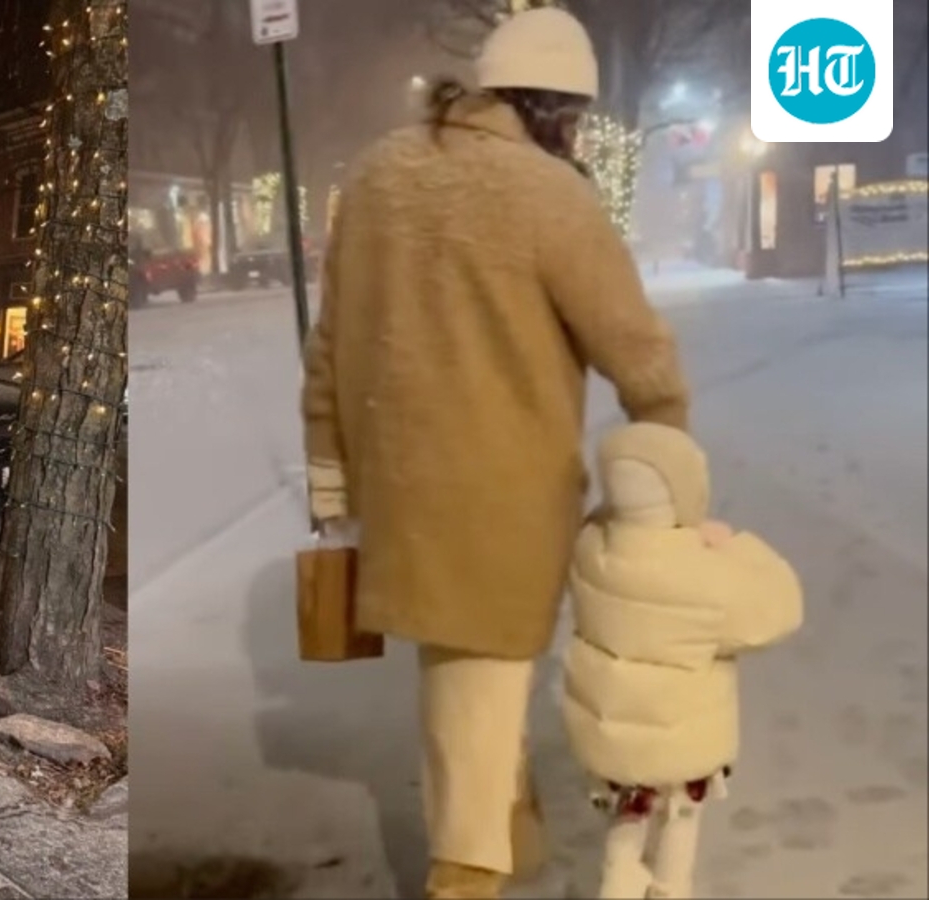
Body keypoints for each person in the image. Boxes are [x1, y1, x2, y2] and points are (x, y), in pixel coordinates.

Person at [300, 7, 691, 899]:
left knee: (466, 678)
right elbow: (642, 356)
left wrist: (331, 478)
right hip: (508, 501)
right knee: (478, 681)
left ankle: (510, 835)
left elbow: (330, 348)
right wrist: (666, 474)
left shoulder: (375, 176)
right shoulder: (550, 194)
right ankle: (469, 870)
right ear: (557, 108)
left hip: (401, 495)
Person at [562, 423, 803, 899]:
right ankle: (671, 887)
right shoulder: (701, 570)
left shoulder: (591, 544)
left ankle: (618, 880)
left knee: (628, 813)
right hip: (681, 736)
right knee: (680, 818)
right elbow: (778, 609)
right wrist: (732, 546)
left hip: (613, 731)